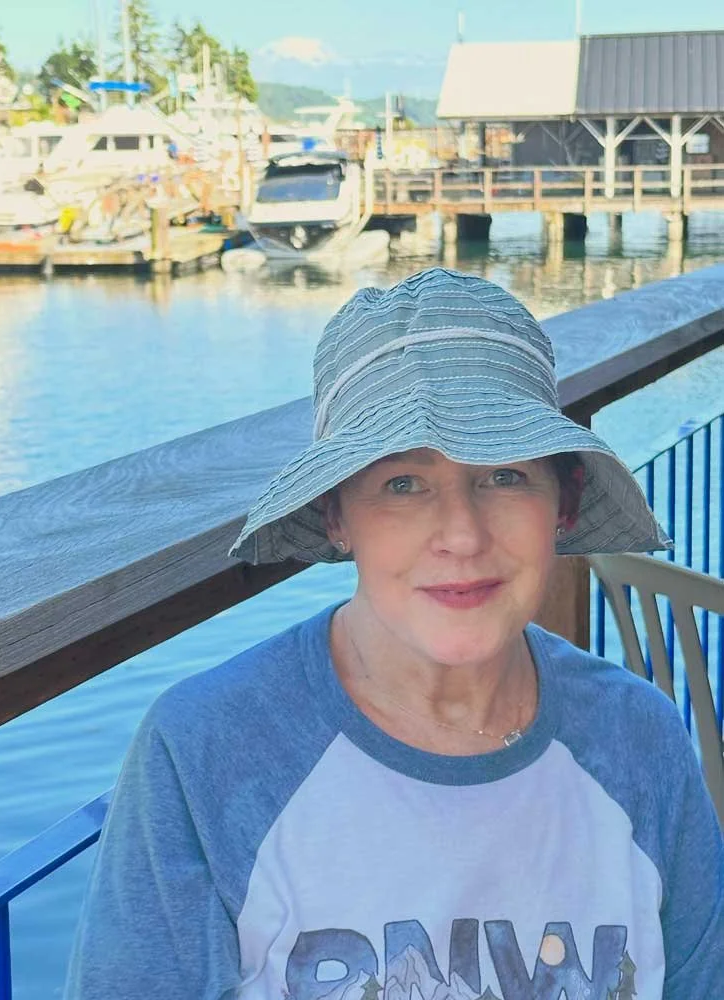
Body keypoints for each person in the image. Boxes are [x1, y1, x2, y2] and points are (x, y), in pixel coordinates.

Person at [64, 268, 723, 1000]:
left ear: (561, 502)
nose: (463, 536)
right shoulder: (204, 754)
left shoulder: (640, 741)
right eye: (403, 485)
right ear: (336, 517)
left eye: (504, 475)